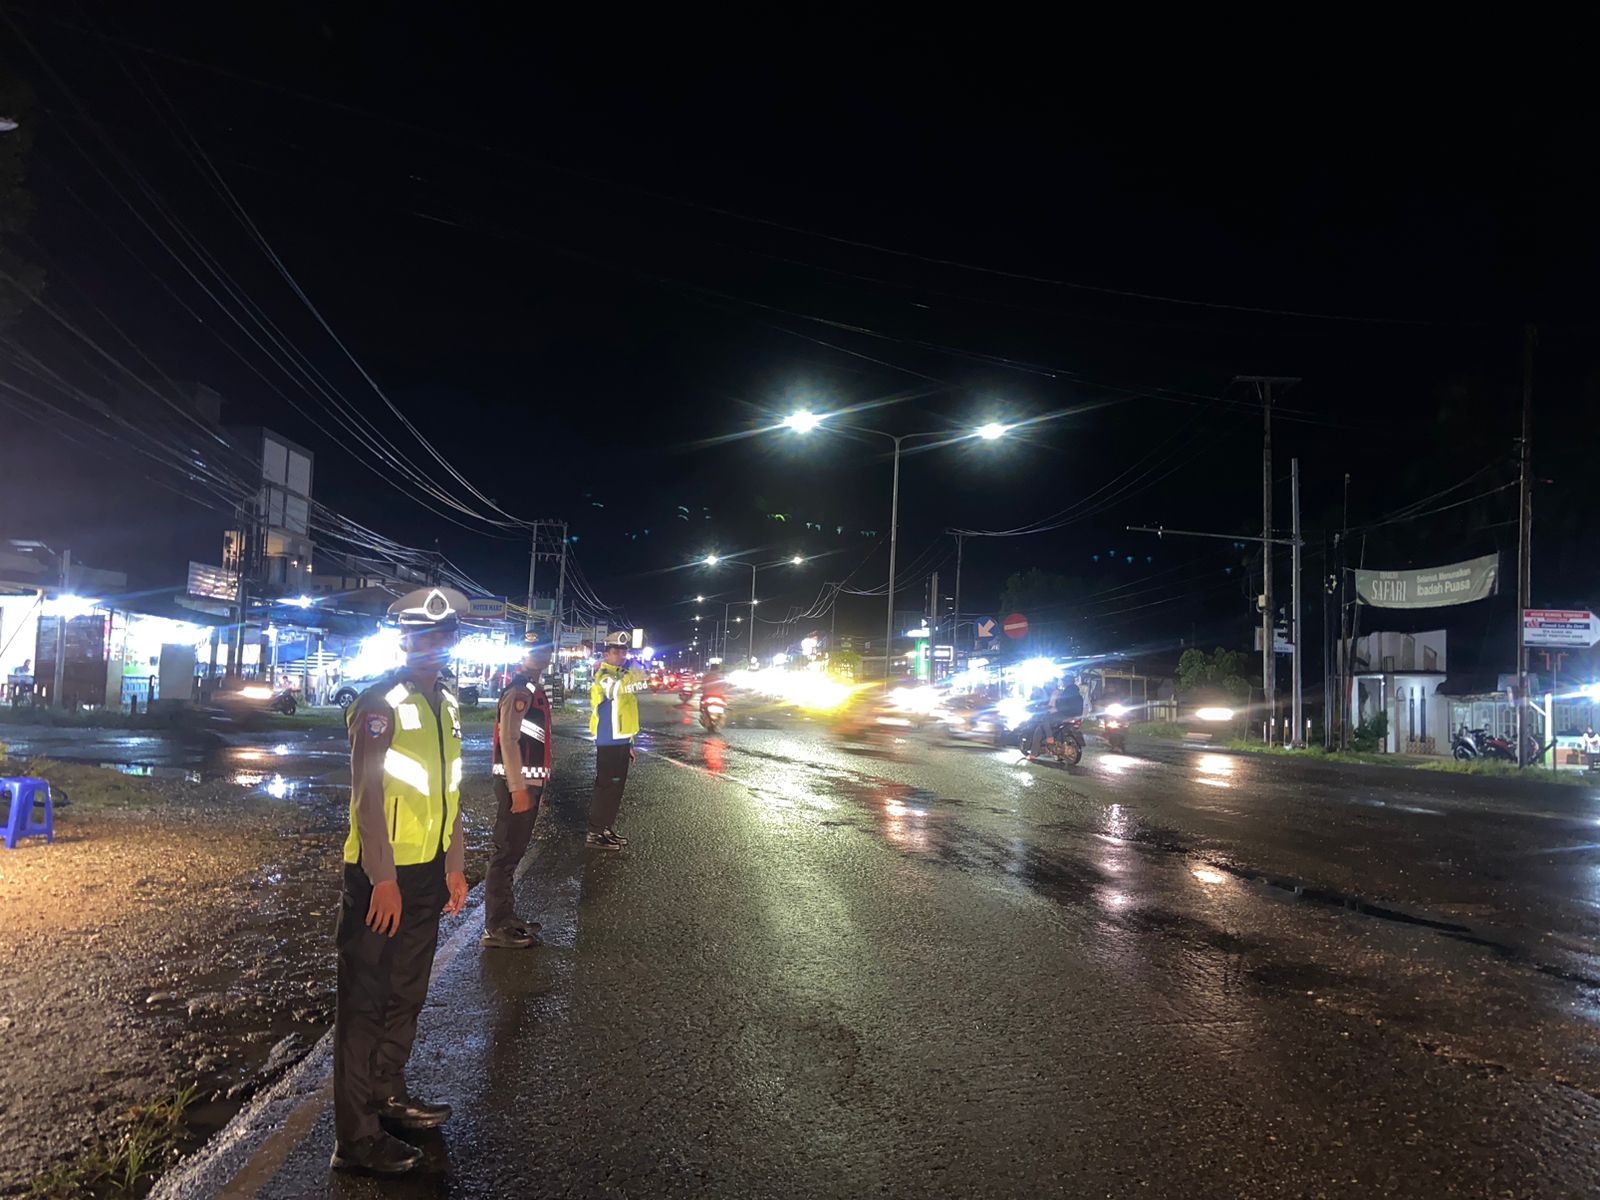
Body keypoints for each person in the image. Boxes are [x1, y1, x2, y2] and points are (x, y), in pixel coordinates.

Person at [331, 587, 470, 1176]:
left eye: (443, 637)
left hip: (429, 873)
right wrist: (382, 878)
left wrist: (456, 865)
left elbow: (452, 791)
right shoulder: (378, 703)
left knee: (406, 990)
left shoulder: (451, 703)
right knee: (364, 1001)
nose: (433, 647)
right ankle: (355, 1140)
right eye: (422, 637)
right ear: (403, 639)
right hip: (379, 880)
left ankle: (388, 1095)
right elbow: (367, 799)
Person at [482, 635, 554, 949]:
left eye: (546, 651)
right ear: (524, 656)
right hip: (518, 786)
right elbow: (508, 741)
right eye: (536, 652)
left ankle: (506, 917)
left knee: (513, 855)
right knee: (505, 854)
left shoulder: (534, 690)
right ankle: (495, 926)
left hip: (528, 784)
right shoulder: (519, 691)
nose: (542, 657)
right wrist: (518, 789)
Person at [587, 631, 647, 850]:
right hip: (607, 739)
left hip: (621, 740)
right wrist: (633, 672)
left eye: (624, 651)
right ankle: (595, 833)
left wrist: (630, 742)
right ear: (606, 654)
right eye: (616, 652)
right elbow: (615, 690)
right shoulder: (604, 675)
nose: (621, 655)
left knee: (616, 788)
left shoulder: (623, 674)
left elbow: (627, 709)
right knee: (605, 787)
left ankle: (605, 828)